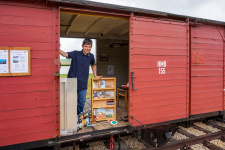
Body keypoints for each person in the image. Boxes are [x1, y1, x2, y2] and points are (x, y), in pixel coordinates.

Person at [60, 38, 102, 115]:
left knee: (82, 101)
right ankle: (70, 116)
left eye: (89, 47)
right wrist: (58, 48)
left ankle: (78, 115)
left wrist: (95, 75)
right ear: (82, 46)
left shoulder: (91, 56)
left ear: (91, 47)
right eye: (86, 46)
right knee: (71, 101)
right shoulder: (76, 53)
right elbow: (65, 54)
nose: (87, 48)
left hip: (83, 82)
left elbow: (93, 65)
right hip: (72, 82)